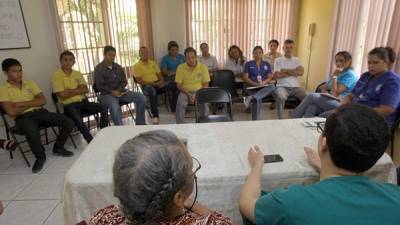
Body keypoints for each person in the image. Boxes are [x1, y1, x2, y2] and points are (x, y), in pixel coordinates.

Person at [240, 104, 400, 225]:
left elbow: (247, 203)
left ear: (324, 143)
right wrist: (325, 166)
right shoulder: (395, 196)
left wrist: (257, 165)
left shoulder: (291, 202)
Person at [88, 130, 233, 225]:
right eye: (191, 169)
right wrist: (189, 203)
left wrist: (183, 201)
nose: (193, 172)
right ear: (178, 197)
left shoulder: (103, 217)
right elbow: (223, 221)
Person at [0, 58, 74, 173]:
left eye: (20, 70)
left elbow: (42, 101)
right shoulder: (3, 89)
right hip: (23, 118)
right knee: (32, 132)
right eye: (14, 71)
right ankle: (40, 157)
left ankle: (58, 147)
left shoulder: (30, 83)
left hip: (40, 112)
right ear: (5, 72)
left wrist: (21, 104)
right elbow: (11, 112)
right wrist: (32, 102)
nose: (18, 74)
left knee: (68, 122)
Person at [321, 47, 400, 126]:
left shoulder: (392, 80)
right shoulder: (366, 76)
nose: (371, 66)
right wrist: (340, 108)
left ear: (386, 63)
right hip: (354, 111)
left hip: (374, 121)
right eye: (369, 63)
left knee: (331, 124)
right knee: (324, 117)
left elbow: (387, 109)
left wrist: (357, 112)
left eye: (376, 63)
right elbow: (350, 96)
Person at [52, 50, 108, 143]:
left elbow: (85, 90)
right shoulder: (56, 75)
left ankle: (103, 132)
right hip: (69, 106)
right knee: (78, 118)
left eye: (70, 60)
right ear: (61, 61)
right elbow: (62, 95)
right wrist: (78, 90)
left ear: (74, 62)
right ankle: (90, 141)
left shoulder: (77, 73)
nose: (68, 62)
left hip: (83, 102)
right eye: (65, 60)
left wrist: (70, 90)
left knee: (104, 108)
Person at [292, 51, 358, 118]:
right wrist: (326, 91)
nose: (338, 63)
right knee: (312, 107)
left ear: (349, 61)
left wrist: (334, 76)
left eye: (341, 61)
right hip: (330, 99)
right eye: (337, 61)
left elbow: (336, 92)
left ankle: (293, 118)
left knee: (311, 96)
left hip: (340, 103)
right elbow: (322, 87)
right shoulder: (339, 72)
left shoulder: (350, 74)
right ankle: (304, 126)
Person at [94, 45, 146, 125]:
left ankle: (140, 123)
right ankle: (120, 129)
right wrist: (112, 92)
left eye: (114, 55)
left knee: (141, 98)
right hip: (107, 95)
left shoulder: (118, 67)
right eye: (110, 55)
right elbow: (99, 86)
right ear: (104, 55)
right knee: (114, 106)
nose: (112, 57)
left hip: (121, 92)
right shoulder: (99, 68)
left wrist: (119, 90)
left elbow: (124, 82)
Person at [175, 47, 210, 124]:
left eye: (192, 57)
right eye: (188, 58)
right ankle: (180, 124)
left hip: (200, 91)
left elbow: (206, 84)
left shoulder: (202, 67)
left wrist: (197, 94)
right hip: (185, 91)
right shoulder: (180, 67)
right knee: (180, 102)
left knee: (205, 103)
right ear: (185, 58)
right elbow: (179, 85)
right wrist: (188, 94)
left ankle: (204, 123)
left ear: (196, 57)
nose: (191, 60)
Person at [273, 39, 307, 119]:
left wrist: (284, 70)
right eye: (287, 47)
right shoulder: (278, 60)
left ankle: (297, 114)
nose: (289, 49)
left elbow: (301, 73)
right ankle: (280, 118)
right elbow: (277, 75)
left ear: (293, 48)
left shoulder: (297, 60)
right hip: (282, 86)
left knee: (307, 96)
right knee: (281, 96)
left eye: (291, 47)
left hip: (296, 87)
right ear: (283, 48)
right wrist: (294, 71)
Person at [133, 46, 166, 124]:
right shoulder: (137, 66)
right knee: (151, 90)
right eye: (143, 53)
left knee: (173, 85)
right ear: (139, 54)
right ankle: (155, 115)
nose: (145, 54)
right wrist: (154, 84)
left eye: (146, 52)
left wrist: (161, 81)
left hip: (156, 83)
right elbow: (140, 81)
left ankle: (174, 110)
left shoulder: (153, 63)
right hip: (146, 86)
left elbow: (160, 75)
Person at [242, 46, 276, 120]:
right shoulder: (248, 64)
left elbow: (270, 77)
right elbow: (245, 78)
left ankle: (253, 97)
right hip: (251, 86)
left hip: (263, 87)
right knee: (258, 99)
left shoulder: (266, 64)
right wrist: (255, 84)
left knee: (273, 87)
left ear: (262, 54)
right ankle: (255, 120)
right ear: (253, 54)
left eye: (259, 53)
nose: (257, 54)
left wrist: (264, 82)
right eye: (255, 53)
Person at [160, 41, 183, 112]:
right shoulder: (165, 58)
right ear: (169, 50)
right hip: (170, 79)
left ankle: (183, 106)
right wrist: (176, 71)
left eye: (176, 49)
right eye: (172, 50)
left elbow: (187, 67)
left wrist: (174, 71)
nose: (175, 51)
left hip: (182, 77)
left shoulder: (182, 57)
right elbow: (165, 72)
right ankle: (175, 109)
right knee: (176, 87)